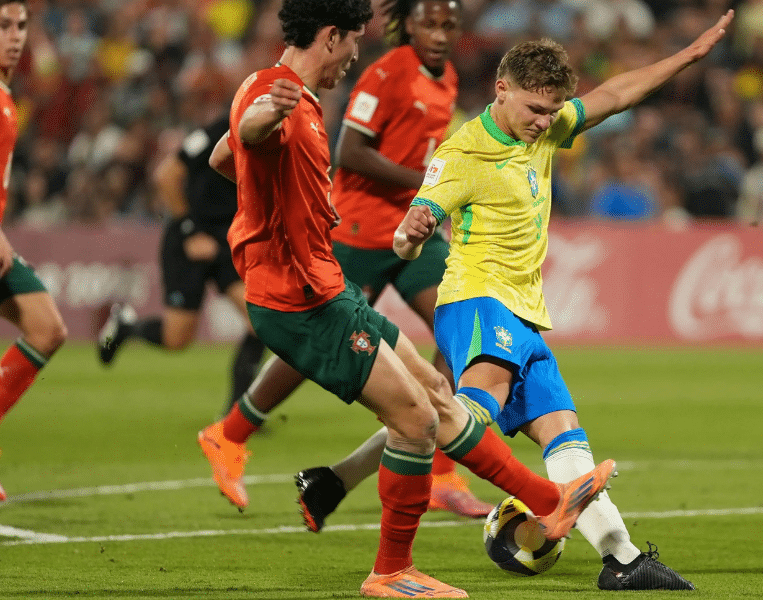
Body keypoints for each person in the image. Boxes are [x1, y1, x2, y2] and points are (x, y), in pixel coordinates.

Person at [197, 1, 614, 596]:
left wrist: (272, 195)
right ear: (332, 36)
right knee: (417, 419)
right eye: (352, 42)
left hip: (327, 286)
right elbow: (248, 134)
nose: (354, 55)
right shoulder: (279, 96)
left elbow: (224, 157)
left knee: (437, 393)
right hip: (303, 293)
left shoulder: (284, 91)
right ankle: (393, 569)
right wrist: (264, 125)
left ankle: (548, 501)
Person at [389, 13, 734, 591]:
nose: (544, 122)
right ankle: (375, 478)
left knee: (563, 432)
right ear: (501, 89)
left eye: (552, 112)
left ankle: (622, 560)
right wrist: (413, 231)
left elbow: (616, 95)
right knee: (465, 411)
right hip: (478, 300)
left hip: (524, 313)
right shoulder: (463, 153)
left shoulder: (545, 129)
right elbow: (407, 235)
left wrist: (684, 57)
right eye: (535, 110)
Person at [201, 0, 494, 521]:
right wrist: (430, 182)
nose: (440, 34)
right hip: (359, 229)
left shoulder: (446, 78)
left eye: (450, 25)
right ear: (407, 24)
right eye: (429, 23)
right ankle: (232, 431)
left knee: (458, 328)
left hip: (413, 231)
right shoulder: (384, 74)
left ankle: (442, 471)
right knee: (319, 337)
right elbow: (350, 152)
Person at [97, 113, 265, 417]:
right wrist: (191, 231)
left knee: (261, 323)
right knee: (177, 339)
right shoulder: (217, 131)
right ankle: (127, 328)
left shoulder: (269, 134)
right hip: (189, 241)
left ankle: (237, 414)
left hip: (227, 241)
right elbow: (166, 176)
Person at [0, 0, 68, 502]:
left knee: (47, 328)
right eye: (3, 25)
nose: (16, 35)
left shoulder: (1, 91)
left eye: (21, 25)